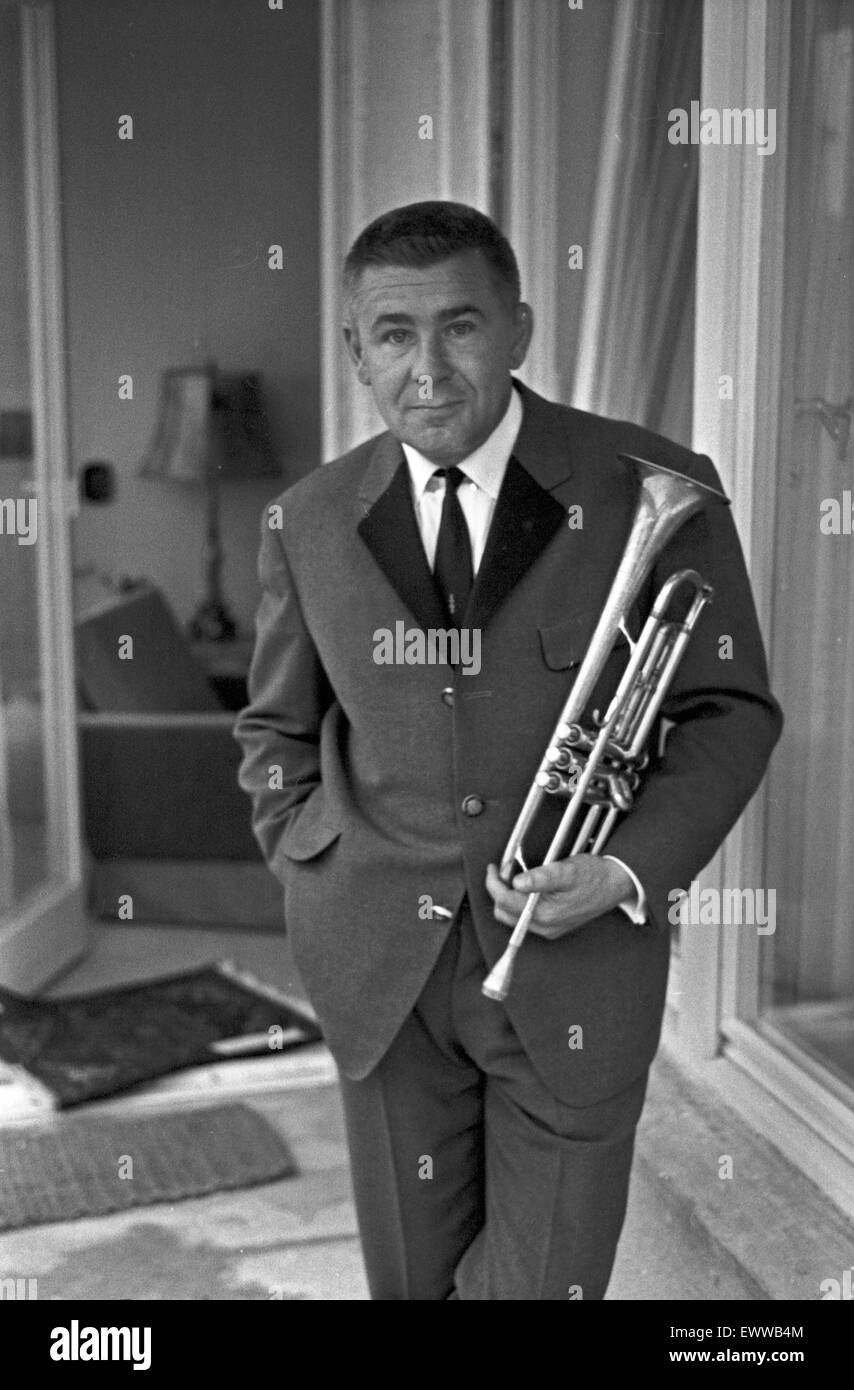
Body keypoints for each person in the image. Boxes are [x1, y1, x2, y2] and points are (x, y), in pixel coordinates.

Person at [234, 201, 782, 1300]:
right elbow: (274, 732)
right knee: (410, 1284)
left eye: (461, 326)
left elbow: (728, 706)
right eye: (393, 334)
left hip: (576, 962)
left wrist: (627, 867)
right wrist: (312, 861)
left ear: (519, 329)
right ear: (354, 351)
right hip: (380, 967)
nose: (427, 368)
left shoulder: (651, 482)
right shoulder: (308, 519)